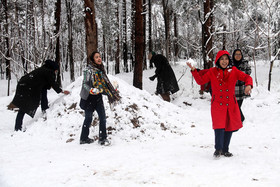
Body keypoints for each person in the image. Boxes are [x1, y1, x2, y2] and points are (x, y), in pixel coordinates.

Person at [187, 50, 253, 158]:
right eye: (222, 59)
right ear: (218, 60)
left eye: (226, 59)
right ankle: (218, 149)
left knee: (229, 127)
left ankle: (225, 149)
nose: (224, 61)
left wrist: (248, 85)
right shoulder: (213, 71)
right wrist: (194, 70)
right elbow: (201, 81)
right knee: (219, 127)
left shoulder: (234, 71)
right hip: (217, 104)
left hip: (231, 104)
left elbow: (247, 77)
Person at [11, 60, 70, 131]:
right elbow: (53, 83)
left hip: (24, 84)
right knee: (24, 107)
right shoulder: (48, 72)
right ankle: (17, 128)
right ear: (53, 68)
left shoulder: (43, 70)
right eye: (56, 70)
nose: (56, 72)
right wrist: (62, 91)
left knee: (43, 91)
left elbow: (45, 87)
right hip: (26, 87)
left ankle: (44, 109)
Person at [79, 51, 121, 145]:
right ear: (93, 59)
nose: (99, 58)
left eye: (100, 57)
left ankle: (102, 139)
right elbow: (85, 84)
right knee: (88, 118)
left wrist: (112, 91)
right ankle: (83, 138)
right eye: (97, 57)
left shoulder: (101, 70)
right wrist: (91, 90)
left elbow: (104, 85)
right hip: (89, 98)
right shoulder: (88, 70)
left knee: (102, 118)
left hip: (98, 98)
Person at [232, 49, 251, 122]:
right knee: (234, 105)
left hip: (241, 88)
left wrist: (244, 76)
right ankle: (240, 118)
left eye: (239, 54)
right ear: (233, 55)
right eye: (236, 54)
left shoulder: (244, 63)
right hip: (233, 88)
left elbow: (249, 71)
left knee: (238, 105)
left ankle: (240, 119)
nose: (238, 56)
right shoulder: (230, 63)